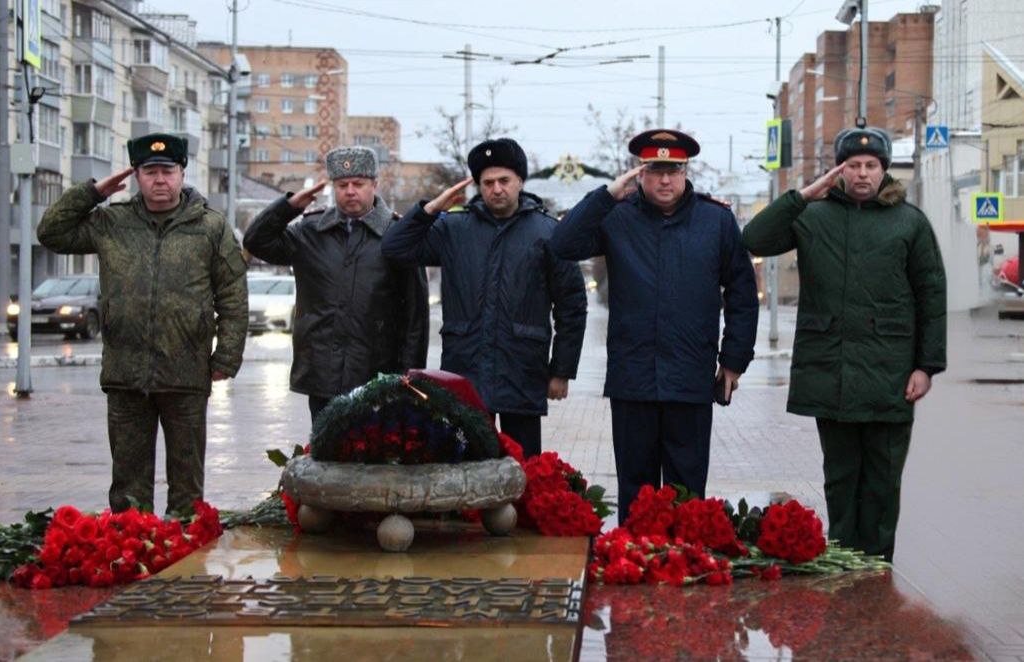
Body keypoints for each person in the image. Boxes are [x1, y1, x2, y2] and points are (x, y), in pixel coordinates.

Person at [742, 126, 947, 561]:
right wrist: (802, 196)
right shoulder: (813, 217)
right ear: (839, 170)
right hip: (830, 370)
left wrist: (926, 366)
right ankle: (842, 559)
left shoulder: (909, 223)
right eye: (853, 165)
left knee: (882, 479)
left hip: (891, 375)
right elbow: (754, 239)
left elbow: (931, 295)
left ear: (884, 171)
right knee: (840, 477)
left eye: (871, 165)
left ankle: (876, 565)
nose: (862, 173)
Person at [550, 129, 759, 521]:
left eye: (673, 170)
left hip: (690, 377)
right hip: (634, 379)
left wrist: (733, 360)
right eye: (655, 170)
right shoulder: (617, 216)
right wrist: (606, 195)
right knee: (636, 492)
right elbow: (562, 244)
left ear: (686, 171)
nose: (665, 180)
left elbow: (742, 293)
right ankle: (635, 555)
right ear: (640, 173)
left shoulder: (715, 221)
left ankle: (686, 555)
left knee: (687, 494)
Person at [37, 133, 248, 516]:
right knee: (128, 487)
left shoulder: (210, 227)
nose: (160, 179)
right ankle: (132, 544)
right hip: (126, 374)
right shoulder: (111, 222)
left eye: (168, 170)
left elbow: (232, 294)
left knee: (187, 485)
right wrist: (92, 193)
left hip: (186, 374)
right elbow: (51, 233)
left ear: (182, 173)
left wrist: (227, 357)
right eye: (150, 172)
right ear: (136, 176)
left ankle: (185, 544)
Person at [382, 138, 587, 458]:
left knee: (524, 468)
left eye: (504, 180)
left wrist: (561, 370)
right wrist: (429, 210)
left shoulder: (548, 232)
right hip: (465, 371)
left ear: (520, 181)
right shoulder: (453, 228)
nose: (496, 189)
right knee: (466, 468)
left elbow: (571, 305)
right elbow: (395, 248)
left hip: (522, 370)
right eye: (488, 183)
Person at [243, 146, 428, 421]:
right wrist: (288, 207)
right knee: (325, 445)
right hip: (323, 375)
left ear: (374, 185)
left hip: (378, 375)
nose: (350, 191)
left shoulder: (396, 234)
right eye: (342, 185)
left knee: (374, 448)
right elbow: (256, 241)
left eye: (358, 184)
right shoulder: (310, 231)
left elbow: (415, 316)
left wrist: (409, 378)